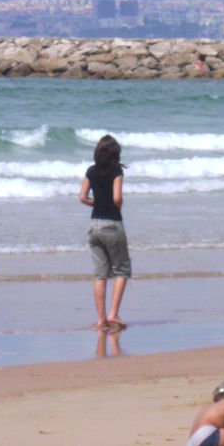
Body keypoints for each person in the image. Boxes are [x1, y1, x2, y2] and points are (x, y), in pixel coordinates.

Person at [79, 134, 131, 330]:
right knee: (121, 269)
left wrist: (98, 202)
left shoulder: (91, 171)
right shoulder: (116, 171)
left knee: (100, 274)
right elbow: (117, 198)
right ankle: (113, 314)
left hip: (94, 225)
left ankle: (101, 319)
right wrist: (117, 205)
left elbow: (82, 197)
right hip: (112, 224)